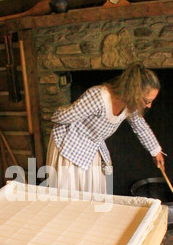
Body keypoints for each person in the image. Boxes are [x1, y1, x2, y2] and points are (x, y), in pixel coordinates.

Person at [46, 62, 165, 194]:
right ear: (134, 93)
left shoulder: (131, 105)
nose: (149, 106)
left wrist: (156, 151)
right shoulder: (99, 97)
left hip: (91, 146)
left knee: (93, 193)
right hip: (71, 145)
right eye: (147, 101)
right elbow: (65, 117)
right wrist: (55, 116)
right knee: (71, 194)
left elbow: (140, 126)